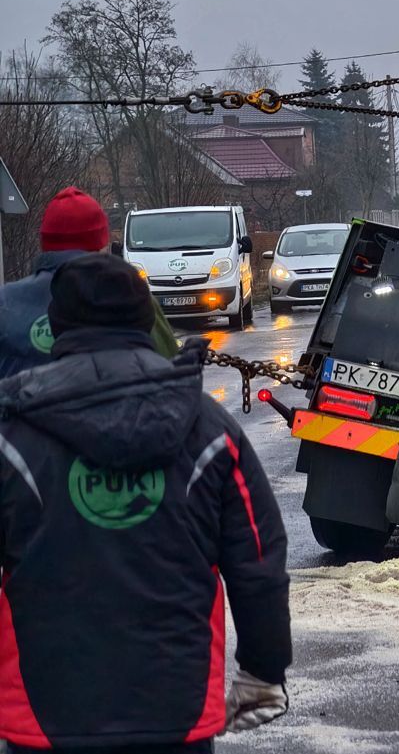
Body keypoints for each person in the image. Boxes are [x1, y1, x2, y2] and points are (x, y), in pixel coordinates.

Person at [0, 254, 290, 752]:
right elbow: (257, 561)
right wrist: (262, 673)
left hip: (43, 712)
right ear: (145, 319)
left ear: (58, 325)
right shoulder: (211, 431)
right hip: (176, 708)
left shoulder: (11, 433)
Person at [0, 187, 177, 380]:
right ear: (101, 244)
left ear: (45, 244)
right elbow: (169, 369)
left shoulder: (6, 302)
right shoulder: (130, 297)